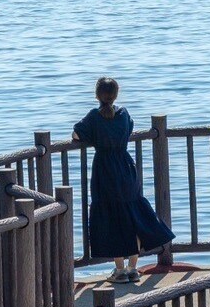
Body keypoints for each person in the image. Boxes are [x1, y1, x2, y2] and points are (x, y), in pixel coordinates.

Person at [73, 77, 174, 283]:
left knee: (112, 218)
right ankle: (132, 268)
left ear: (97, 95)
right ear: (116, 94)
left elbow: (76, 134)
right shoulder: (124, 113)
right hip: (127, 168)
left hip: (105, 170)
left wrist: (94, 139)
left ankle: (119, 270)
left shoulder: (94, 116)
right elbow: (128, 129)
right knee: (133, 214)